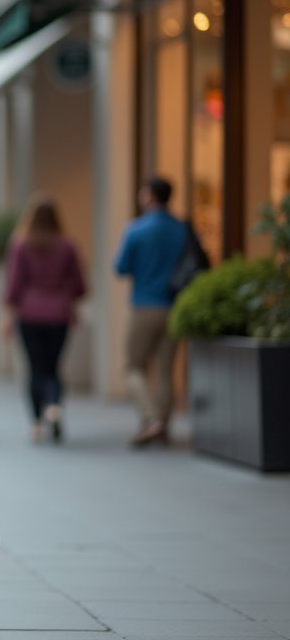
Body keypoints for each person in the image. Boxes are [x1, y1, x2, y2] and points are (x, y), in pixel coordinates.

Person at [3, 193, 86, 442]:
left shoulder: (20, 244)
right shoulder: (68, 245)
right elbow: (80, 285)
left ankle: (37, 422)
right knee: (53, 366)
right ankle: (54, 406)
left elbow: (14, 286)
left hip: (29, 313)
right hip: (59, 314)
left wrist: (8, 317)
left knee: (35, 367)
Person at [114, 177, 186, 447]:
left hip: (143, 306)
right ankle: (163, 428)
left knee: (132, 367)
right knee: (166, 371)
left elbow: (120, 267)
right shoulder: (183, 229)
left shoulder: (136, 230)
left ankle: (151, 418)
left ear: (149, 196)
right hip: (174, 308)